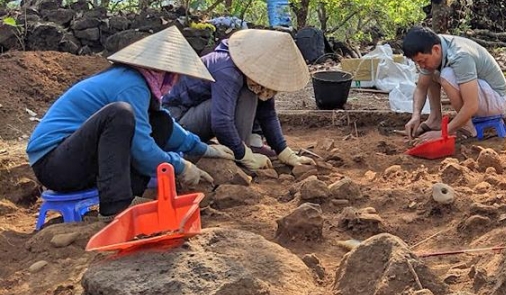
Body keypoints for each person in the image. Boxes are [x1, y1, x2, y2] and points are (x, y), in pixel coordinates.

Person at [26, 26, 228, 220]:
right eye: (176, 75)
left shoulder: (138, 83)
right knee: (119, 114)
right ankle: (116, 207)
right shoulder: (131, 85)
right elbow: (141, 149)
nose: (176, 82)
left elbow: (165, 128)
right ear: (164, 72)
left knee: (159, 122)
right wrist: (180, 166)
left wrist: (202, 148)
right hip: (54, 164)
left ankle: (131, 196)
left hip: (74, 158)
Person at [163, 29, 314, 173]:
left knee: (253, 91)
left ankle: (249, 146)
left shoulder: (253, 72)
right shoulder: (226, 69)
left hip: (194, 119)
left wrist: (284, 151)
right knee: (248, 93)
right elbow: (221, 121)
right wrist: (243, 155)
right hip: (176, 125)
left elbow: (267, 113)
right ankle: (242, 154)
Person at [401, 26, 506, 145]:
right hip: (483, 95)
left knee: (447, 75)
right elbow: (421, 88)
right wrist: (415, 115)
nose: (421, 66)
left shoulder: (460, 56)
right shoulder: (434, 47)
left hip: (496, 101)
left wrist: (443, 132)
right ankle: (435, 119)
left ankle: (468, 127)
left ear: (436, 49)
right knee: (431, 73)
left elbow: (471, 105)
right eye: (417, 62)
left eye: (423, 61)